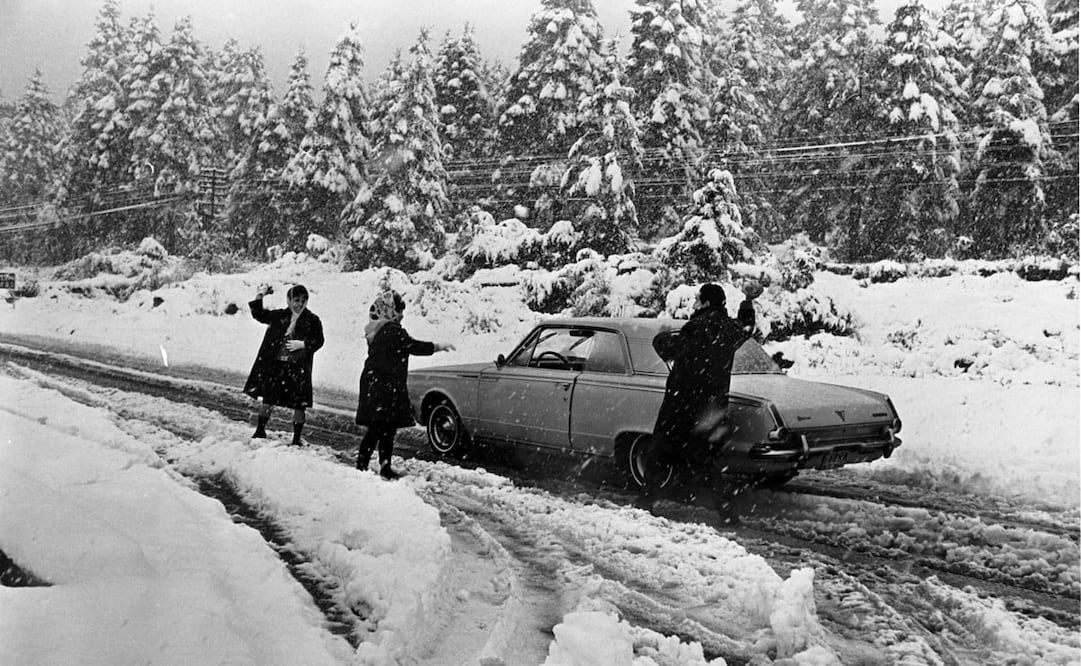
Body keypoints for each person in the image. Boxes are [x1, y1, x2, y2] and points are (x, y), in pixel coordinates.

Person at [645, 279, 763, 493]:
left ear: (707, 303)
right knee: (705, 461)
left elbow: (670, 352)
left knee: (659, 452)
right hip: (712, 406)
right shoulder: (730, 329)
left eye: (697, 300)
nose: (694, 305)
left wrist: (661, 337)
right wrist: (747, 301)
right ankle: (727, 511)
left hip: (683, 403)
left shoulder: (695, 328)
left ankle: (646, 500)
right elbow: (746, 328)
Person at [355, 290, 454, 479]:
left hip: (380, 383)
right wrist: (437, 346)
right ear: (390, 311)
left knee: (384, 428)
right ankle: (365, 468)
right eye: (399, 311)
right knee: (380, 429)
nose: (402, 315)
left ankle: (375, 466)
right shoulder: (391, 330)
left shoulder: (379, 328)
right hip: (381, 385)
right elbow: (413, 346)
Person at [243, 284, 325, 446]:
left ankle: (296, 438)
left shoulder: (313, 320)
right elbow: (259, 314)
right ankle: (260, 429)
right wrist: (260, 295)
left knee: (299, 404)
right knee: (268, 398)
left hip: (298, 367)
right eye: (296, 300)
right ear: (288, 300)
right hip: (276, 366)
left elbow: (319, 340)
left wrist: (304, 344)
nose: (300, 304)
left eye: (303, 300)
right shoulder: (280, 315)